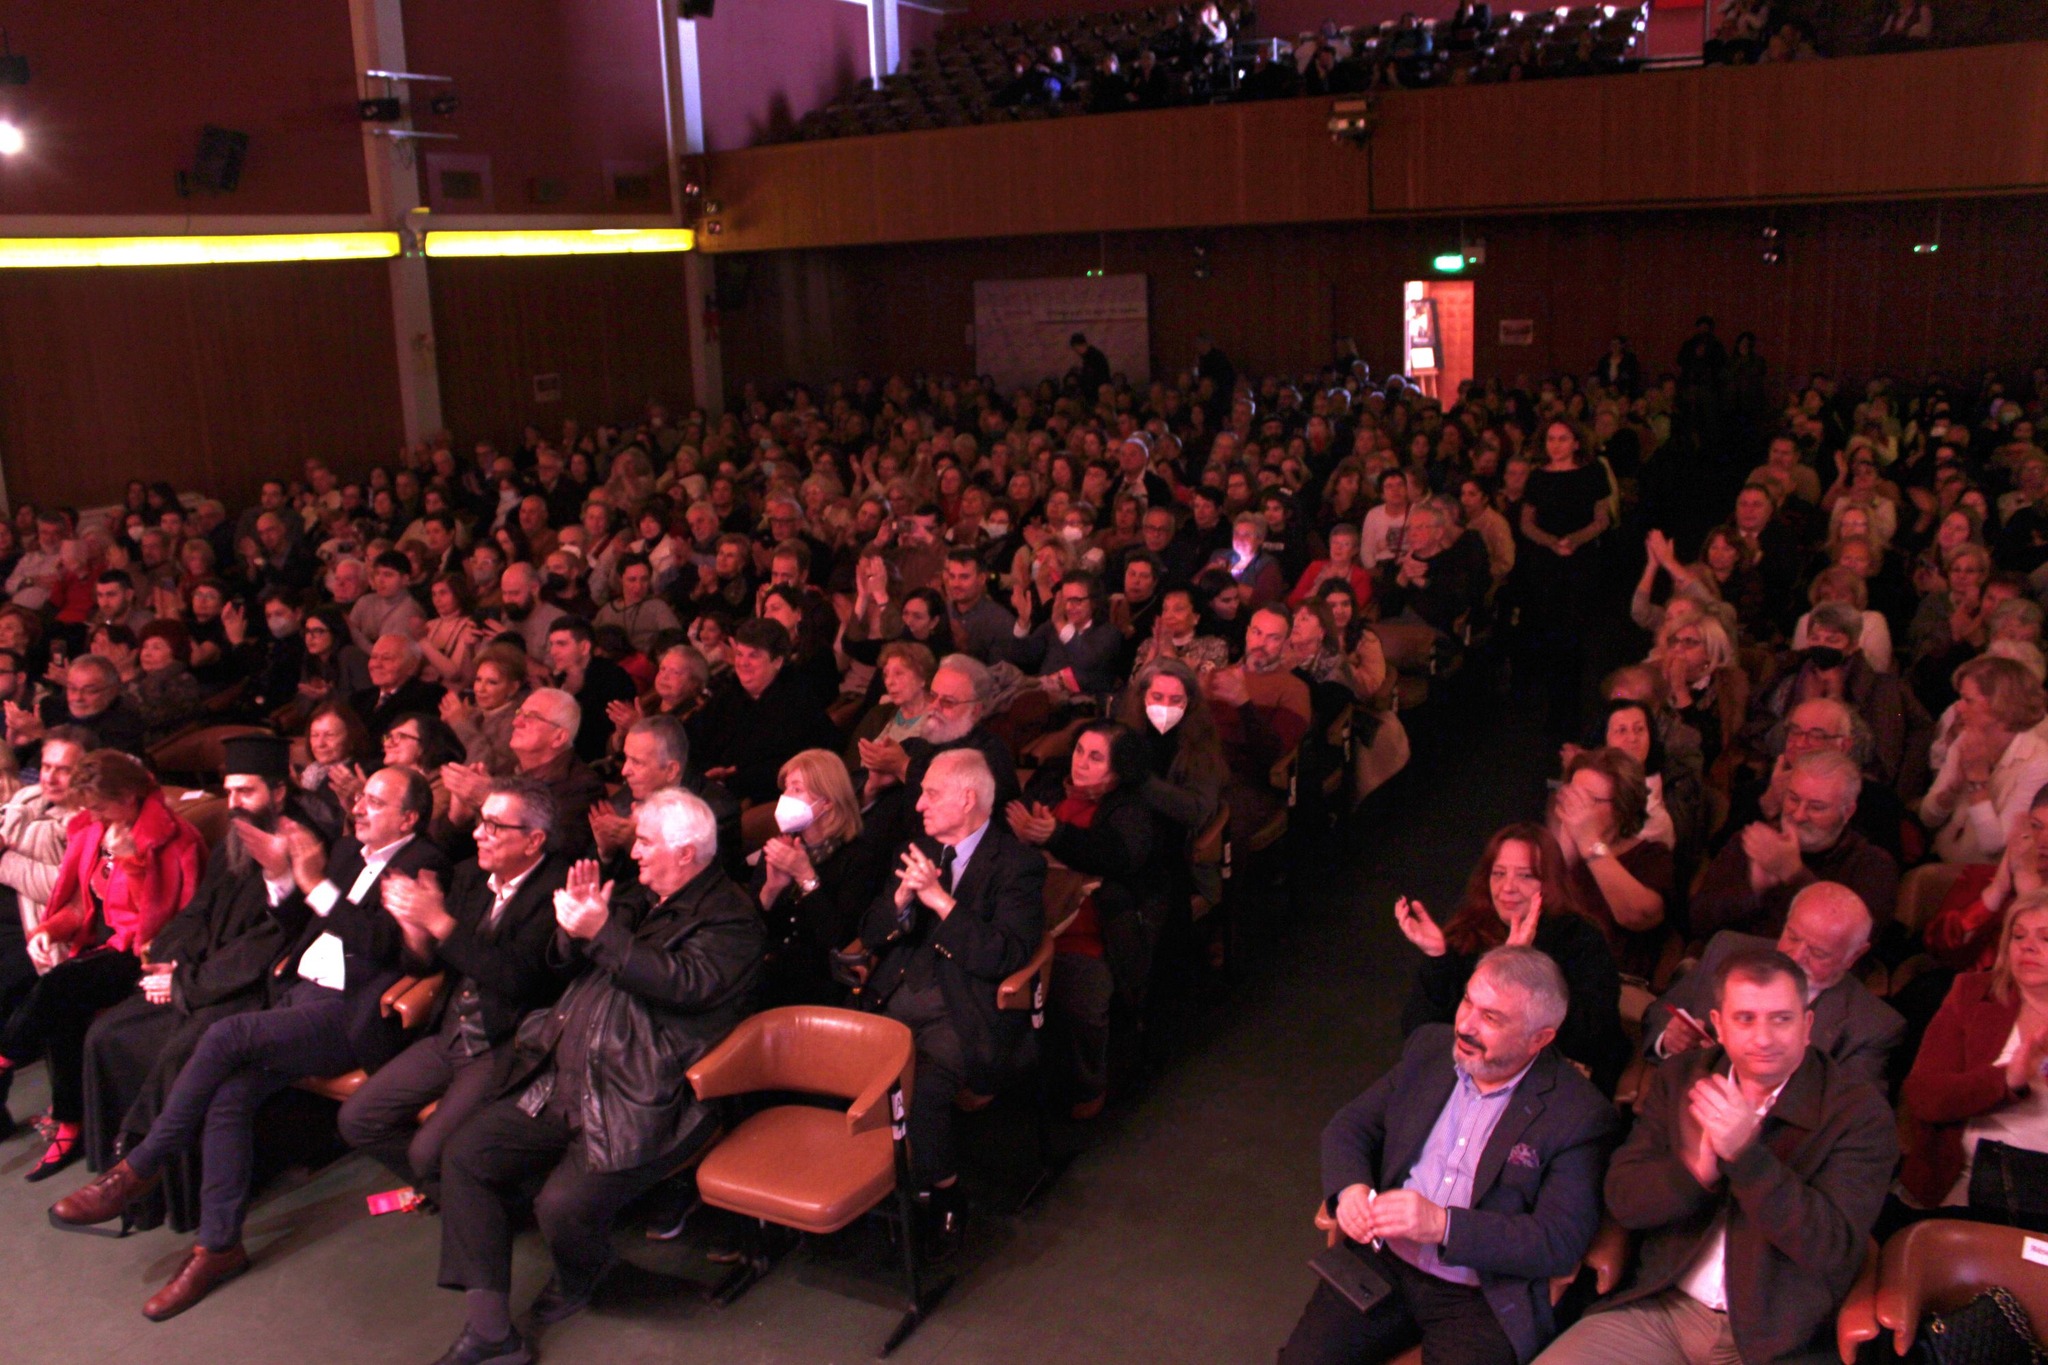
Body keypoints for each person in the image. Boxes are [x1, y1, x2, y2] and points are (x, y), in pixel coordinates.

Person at [50, 767, 448, 1318]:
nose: (359, 808)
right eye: (361, 798)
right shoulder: (346, 853)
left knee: (225, 1034)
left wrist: (314, 883)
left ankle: (139, 1167)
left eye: (377, 803)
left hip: (348, 1014)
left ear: (408, 819)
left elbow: (383, 945)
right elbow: (295, 920)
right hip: (298, 994)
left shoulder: (425, 863)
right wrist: (283, 877)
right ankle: (218, 1247)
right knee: (229, 1096)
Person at [427, 790, 762, 1362]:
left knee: (561, 1208)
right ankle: (490, 1332)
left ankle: (586, 1276)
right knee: (464, 1154)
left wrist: (602, 930)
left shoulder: (731, 918)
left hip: (642, 1096)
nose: (635, 852)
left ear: (685, 853)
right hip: (559, 1077)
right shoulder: (644, 892)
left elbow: (683, 984)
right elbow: (568, 962)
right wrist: (574, 927)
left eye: (646, 842)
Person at [1534, 948, 1898, 1365]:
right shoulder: (1682, 1077)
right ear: (1719, 1026)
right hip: (1661, 1309)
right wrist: (1695, 1173)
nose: (1763, 1038)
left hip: (1773, 1344)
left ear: (1807, 1026)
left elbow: (1832, 1250)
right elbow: (1623, 1199)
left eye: (1782, 1019)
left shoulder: (1858, 1113)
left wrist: (1746, 1157)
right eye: (1745, 1019)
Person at [1281, 947, 1619, 1365]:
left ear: (1540, 1038)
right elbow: (1350, 1126)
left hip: (1480, 1294)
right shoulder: (1430, 1049)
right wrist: (1351, 1190)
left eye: (1491, 1018)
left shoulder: (1579, 1114)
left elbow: (1557, 1242)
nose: (1466, 1025)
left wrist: (1443, 1226)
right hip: (1383, 1261)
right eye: (1467, 1002)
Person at [76, 736, 297, 1232]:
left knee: (175, 1050)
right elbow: (198, 911)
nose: (234, 803)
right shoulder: (238, 837)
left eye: (247, 791)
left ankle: (149, 1177)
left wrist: (185, 984)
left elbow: (265, 945)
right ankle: (130, 1186)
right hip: (200, 974)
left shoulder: (298, 844)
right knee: (108, 1034)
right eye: (229, 791)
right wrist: (169, 963)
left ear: (279, 792)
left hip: (249, 988)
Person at [338, 780, 571, 1204]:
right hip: (450, 1031)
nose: (479, 833)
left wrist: (439, 922)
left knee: (425, 1152)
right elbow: (428, 965)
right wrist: (415, 934)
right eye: (481, 821)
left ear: (534, 840)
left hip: (504, 1043)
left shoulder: (557, 891)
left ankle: (475, 1198)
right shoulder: (470, 876)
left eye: (494, 826)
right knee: (358, 1119)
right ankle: (463, 1195)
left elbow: (518, 980)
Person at [0, 751, 205, 1181]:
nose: (91, 815)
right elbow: (81, 905)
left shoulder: (173, 838)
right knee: (62, 1007)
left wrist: (132, 862)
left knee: (60, 985)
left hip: (148, 954)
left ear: (128, 797)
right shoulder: (93, 830)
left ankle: (7, 1057)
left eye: (99, 806)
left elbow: (165, 924)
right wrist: (49, 930)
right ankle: (70, 1121)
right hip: (106, 947)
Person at [855, 749, 1045, 1212]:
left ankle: (943, 1196)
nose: (919, 804)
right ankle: (861, 1183)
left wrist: (940, 901)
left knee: (919, 1093)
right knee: (843, 1066)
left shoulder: (1017, 865)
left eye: (931, 794)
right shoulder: (915, 849)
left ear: (967, 798)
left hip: (964, 1010)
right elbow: (871, 933)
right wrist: (901, 900)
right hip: (896, 993)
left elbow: (1003, 955)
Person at [1397, 823, 1628, 1093]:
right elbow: (1418, 1032)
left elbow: (1593, 1038)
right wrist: (1437, 958)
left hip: (1545, 1084)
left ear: (1549, 882)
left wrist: (1520, 968)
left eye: (1526, 876)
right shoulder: (1470, 930)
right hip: (1463, 1077)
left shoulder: (1580, 938)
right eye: (1498, 873)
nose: (1507, 887)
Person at [1010, 721, 1159, 1115]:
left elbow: (1118, 856)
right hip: (1029, 916)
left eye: (1095, 757)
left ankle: (1087, 1085)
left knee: (1080, 999)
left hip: (1088, 927)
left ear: (1118, 768)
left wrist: (1054, 836)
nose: (1081, 762)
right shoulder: (1050, 785)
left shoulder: (1128, 807)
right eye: (1079, 751)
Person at [1642, 882, 1903, 1091]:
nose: (1795, 957)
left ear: (1854, 956)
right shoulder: (1726, 949)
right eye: (1792, 937)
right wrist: (1669, 1038)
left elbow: (1851, 1114)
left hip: (1771, 1137)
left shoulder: (1871, 1027)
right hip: (1678, 1107)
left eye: (1818, 953)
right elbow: (1658, 1012)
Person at [1898, 891, 2048, 1219]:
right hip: (1970, 1184)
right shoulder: (1972, 994)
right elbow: (1924, 1096)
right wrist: (2006, 1080)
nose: (2027, 946)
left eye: (2045, 938)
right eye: (2018, 936)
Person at [1691, 749, 1899, 938]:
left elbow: (1855, 939)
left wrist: (1795, 874)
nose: (1798, 815)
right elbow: (1697, 923)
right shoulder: (1753, 841)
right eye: (1793, 799)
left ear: (1847, 812)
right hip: (1734, 958)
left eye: (1816, 807)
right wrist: (1753, 889)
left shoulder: (1872, 864)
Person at [753, 748, 890, 1005]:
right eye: (786, 788)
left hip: (821, 983)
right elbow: (753, 928)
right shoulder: (783, 844)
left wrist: (806, 877)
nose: (785, 798)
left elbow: (841, 940)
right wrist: (771, 888)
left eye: (796, 789)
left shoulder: (860, 857)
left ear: (827, 801)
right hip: (769, 970)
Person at [1550, 747, 1673, 981]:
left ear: (1621, 808)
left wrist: (1590, 843)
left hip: (1611, 981)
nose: (1574, 807)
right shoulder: (1556, 845)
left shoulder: (1651, 856)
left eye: (1587, 800)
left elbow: (1637, 916)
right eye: (1572, 795)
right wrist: (1561, 855)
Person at [690, 618, 840, 805]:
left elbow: (794, 765)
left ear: (777, 661)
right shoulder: (730, 693)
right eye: (739, 654)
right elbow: (695, 733)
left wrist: (734, 777)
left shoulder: (798, 703)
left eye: (753, 656)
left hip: (762, 802)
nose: (743, 663)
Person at [1918, 654, 2048, 865]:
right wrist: (1952, 788)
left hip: (1988, 872)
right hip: (1944, 858)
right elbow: (1927, 817)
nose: (1958, 708)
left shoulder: (2039, 763)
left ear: (2001, 706)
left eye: (1968, 700)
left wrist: (1977, 782)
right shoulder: (1965, 741)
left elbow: (1994, 847)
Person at [544, 616, 638, 764]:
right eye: (552, 644)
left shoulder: (612, 678)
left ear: (584, 647)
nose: (553, 651)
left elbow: (606, 737)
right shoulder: (559, 678)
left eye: (561, 644)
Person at [349, 632, 447, 742]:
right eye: (374, 657)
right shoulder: (358, 699)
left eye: (386, 658)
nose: (376, 664)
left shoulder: (428, 696)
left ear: (411, 665)